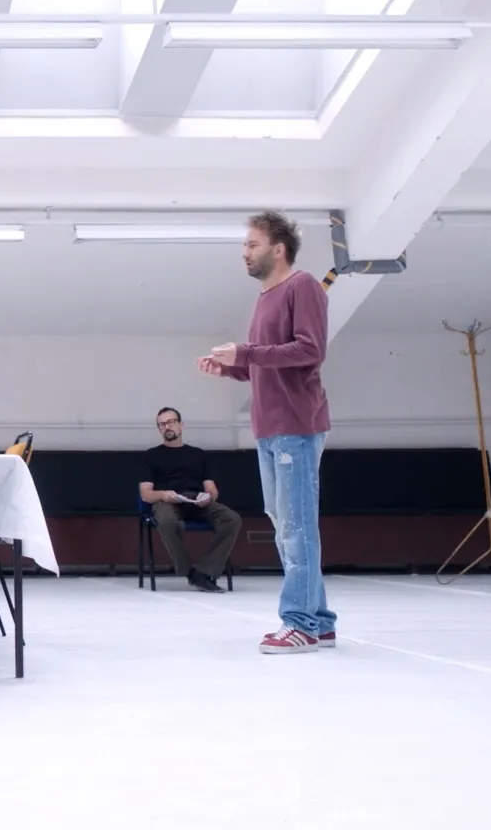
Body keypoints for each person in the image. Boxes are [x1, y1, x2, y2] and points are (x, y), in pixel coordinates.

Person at [199, 210, 336, 654]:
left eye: (252, 245)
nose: (245, 252)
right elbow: (267, 366)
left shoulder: (304, 287)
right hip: (270, 427)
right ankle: (319, 620)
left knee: (296, 527)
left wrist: (247, 352)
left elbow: (309, 351)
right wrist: (232, 368)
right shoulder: (265, 298)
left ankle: (299, 624)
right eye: (244, 245)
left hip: (296, 426)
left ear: (278, 249)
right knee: (286, 525)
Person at [140, 407, 241, 593]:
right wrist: (163, 494)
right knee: (167, 520)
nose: (166, 427)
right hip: (167, 500)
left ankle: (205, 571)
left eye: (170, 422)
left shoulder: (199, 455)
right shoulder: (150, 456)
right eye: (162, 424)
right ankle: (189, 572)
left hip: (195, 500)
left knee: (231, 518)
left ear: (181, 425)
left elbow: (211, 488)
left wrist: (207, 496)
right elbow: (145, 494)